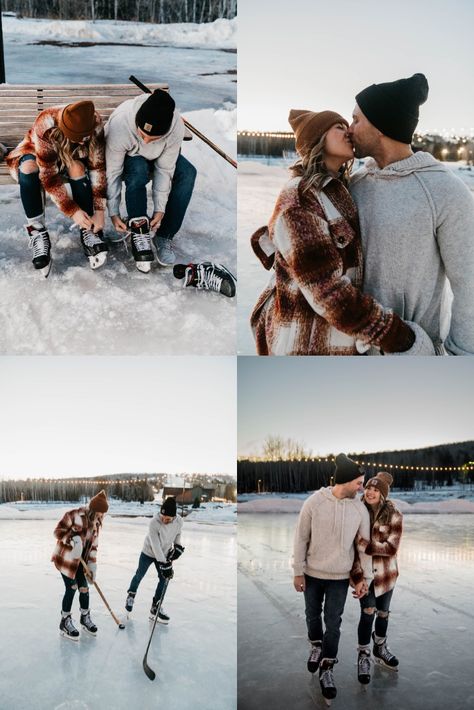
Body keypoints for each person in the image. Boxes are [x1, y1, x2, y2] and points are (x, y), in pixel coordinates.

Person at [250, 109, 430, 356]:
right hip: (308, 345)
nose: (348, 131)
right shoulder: (301, 197)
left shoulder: (339, 191)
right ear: (318, 139)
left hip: (337, 338)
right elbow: (327, 291)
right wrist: (394, 334)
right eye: (338, 126)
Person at [348, 73, 474, 356]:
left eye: (356, 119)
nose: (349, 128)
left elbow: (469, 286)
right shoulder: (355, 184)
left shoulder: (445, 191)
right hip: (348, 350)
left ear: (380, 126)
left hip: (410, 353)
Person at [293, 454, 372, 703]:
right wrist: (297, 570)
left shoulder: (359, 509)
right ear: (346, 481)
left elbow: (363, 547)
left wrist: (365, 579)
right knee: (312, 615)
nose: (362, 488)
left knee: (334, 623)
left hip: (340, 577)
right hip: (313, 574)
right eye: (359, 482)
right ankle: (315, 645)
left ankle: (327, 668)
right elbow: (301, 538)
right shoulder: (314, 503)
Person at [6, 100, 108, 277]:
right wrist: (72, 210)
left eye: (87, 138)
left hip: (72, 155)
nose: (84, 141)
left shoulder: (94, 123)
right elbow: (49, 178)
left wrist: (99, 211)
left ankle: (88, 228)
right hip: (37, 151)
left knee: (77, 167)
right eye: (80, 138)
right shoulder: (45, 123)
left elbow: (98, 168)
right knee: (28, 169)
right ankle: (37, 231)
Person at [105, 88, 197, 272]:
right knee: (138, 171)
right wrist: (114, 212)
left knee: (187, 173)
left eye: (153, 138)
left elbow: (164, 169)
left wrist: (159, 209)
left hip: (160, 157)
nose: (146, 141)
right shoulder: (120, 124)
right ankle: (139, 232)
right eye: (142, 134)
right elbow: (113, 172)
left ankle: (164, 235)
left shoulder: (175, 128)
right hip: (131, 156)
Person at [353, 472, 403, 685]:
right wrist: (356, 578)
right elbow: (350, 551)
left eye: (376, 489)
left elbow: (391, 548)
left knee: (383, 613)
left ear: (382, 494)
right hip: (365, 575)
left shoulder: (394, 515)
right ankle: (363, 654)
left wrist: (365, 544)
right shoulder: (356, 512)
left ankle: (380, 647)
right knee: (368, 612)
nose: (370, 492)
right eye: (369, 488)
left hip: (386, 575)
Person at [51, 489, 109, 641]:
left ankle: (85, 617)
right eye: (100, 513)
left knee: (84, 588)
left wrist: (92, 566)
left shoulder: (96, 526)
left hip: (82, 564)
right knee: (72, 587)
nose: (101, 516)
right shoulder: (74, 515)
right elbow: (57, 532)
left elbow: (94, 548)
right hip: (67, 560)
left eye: (103, 514)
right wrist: (72, 539)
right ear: (94, 509)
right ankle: (65, 621)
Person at [125, 496, 184, 623]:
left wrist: (177, 546)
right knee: (139, 574)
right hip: (148, 552)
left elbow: (177, 534)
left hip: (164, 553)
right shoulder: (154, 522)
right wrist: (164, 564)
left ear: (174, 517)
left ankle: (155, 607)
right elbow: (155, 546)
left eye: (167, 519)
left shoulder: (179, 521)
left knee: (164, 578)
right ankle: (131, 594)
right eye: (162, 517)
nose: (164, 520)